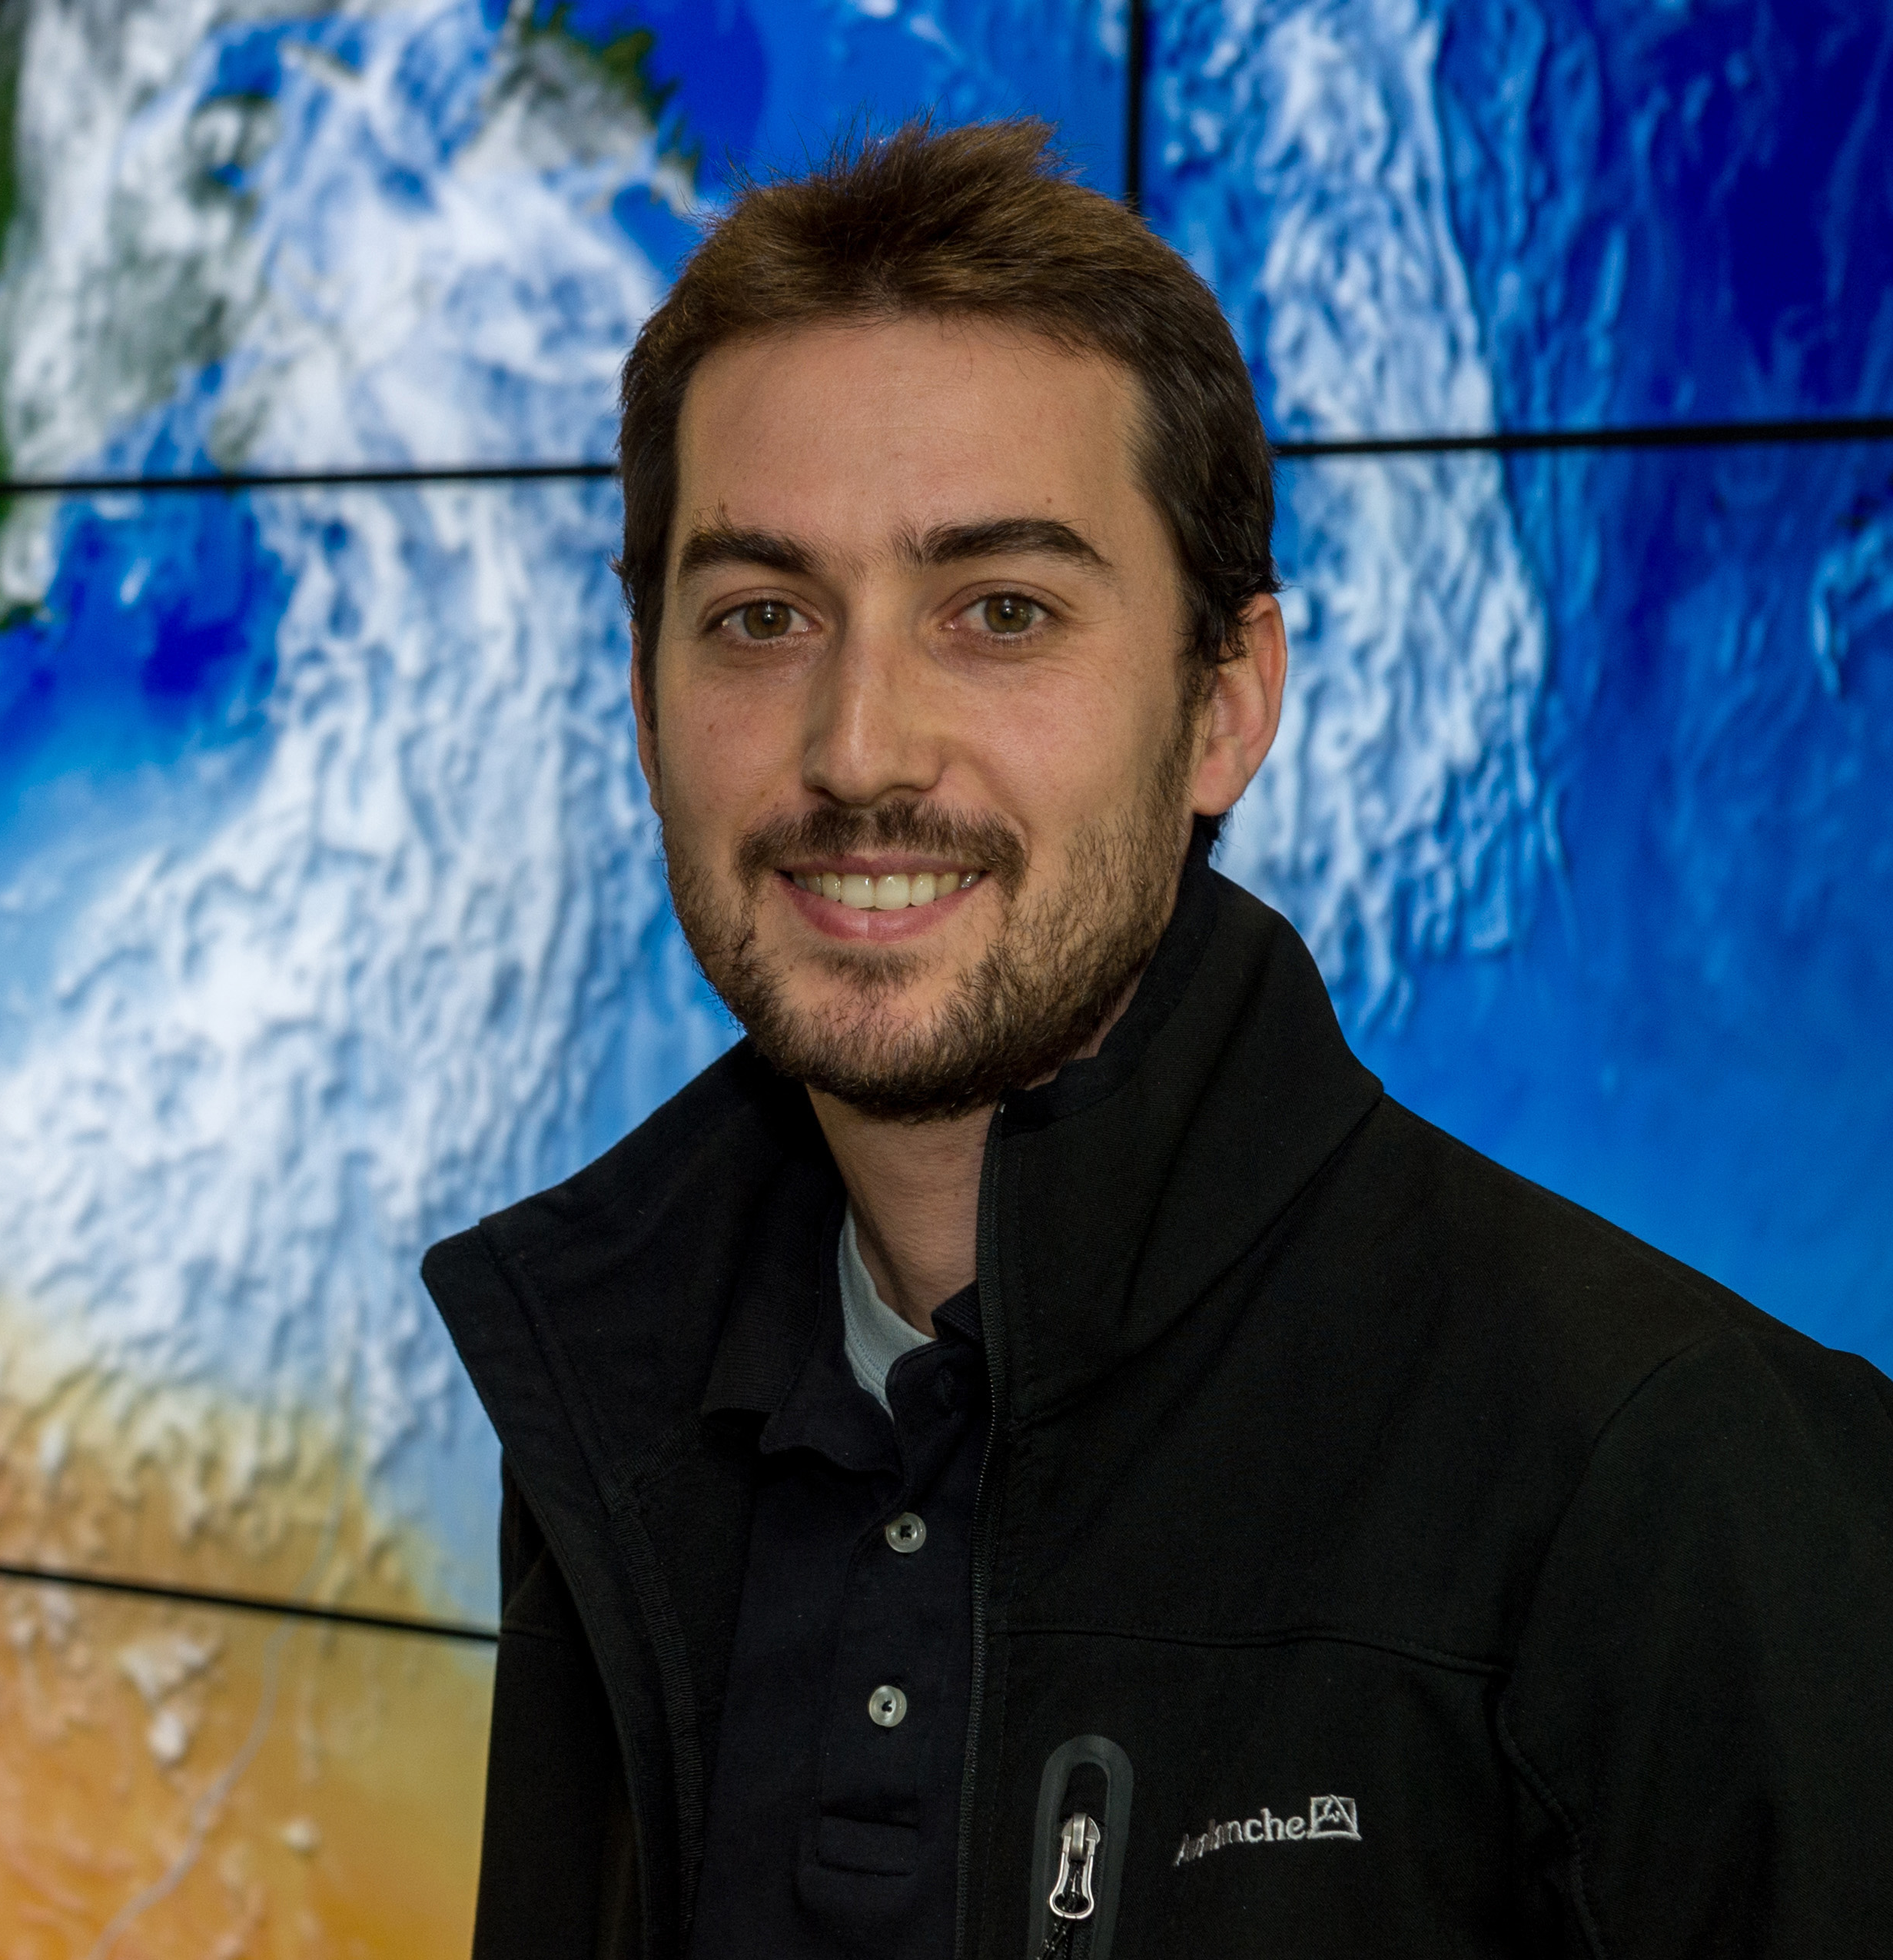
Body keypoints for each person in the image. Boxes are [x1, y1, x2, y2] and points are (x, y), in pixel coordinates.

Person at [422, 119, 1893, 1960]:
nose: (859, 747)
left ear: (1226, 706)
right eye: (762, 616)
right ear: (646, 703)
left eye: (1002, 612)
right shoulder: (612, 1403)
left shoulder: (1681, 1482)